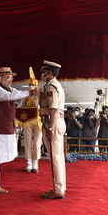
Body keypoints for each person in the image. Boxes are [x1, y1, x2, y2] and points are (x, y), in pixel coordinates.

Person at [0, 67, 41, 194]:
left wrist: (29, 93)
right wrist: (30, 92)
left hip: (3, 126)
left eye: (11, 77)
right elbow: (10, 96)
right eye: (8, 77)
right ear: (0, 78)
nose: (11, 80)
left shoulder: (6, 87)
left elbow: (15, 92)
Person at [39, 60, 66, 199]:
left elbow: (54, 109)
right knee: (58, 157)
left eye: (44, 72)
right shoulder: (56, 85)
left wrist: (50, 128)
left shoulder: (50, 86)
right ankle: (60, 187)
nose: (42, 74)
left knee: (55, 158)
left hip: (52, 122)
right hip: (56, 121)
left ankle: (58, 190)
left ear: (49, 72)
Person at [19, 67, 43, 173]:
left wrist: (39, 108)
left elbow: (44, 107)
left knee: (37, 143)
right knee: (27, 142)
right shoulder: (25, 96)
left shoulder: (40, 96)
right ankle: (28, 162)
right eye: (29, 85)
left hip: (38, 121)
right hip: (27, 121)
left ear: (36, 85)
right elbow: (20, 107)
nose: (31, 86)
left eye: (33, 84)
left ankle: (35, 163)